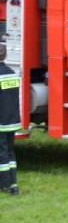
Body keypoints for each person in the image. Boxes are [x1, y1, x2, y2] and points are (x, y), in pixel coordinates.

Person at [0, 43, 21, 196]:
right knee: (10, 154)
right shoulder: (12, 73)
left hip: (1, 122)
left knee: (2, 154)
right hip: (12, 121)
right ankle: (13, 184)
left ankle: (5, 185)